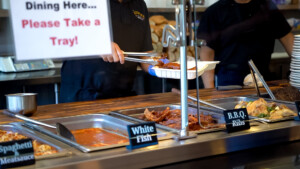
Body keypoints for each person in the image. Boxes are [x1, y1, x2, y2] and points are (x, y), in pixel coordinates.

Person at [60, 0, 154, 103]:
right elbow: (62, 35)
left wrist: (162, 67)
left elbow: (145, 56)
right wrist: (99, 44)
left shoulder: (139, 4)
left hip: (123, 98)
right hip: (82, 98)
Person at [197, 0, 294, 88]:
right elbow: (207, 52)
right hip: (229, 78)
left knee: (263, 107)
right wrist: (209, 88)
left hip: (262, 74)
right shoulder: (215, 11)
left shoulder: (267, 7)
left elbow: (288, 40)